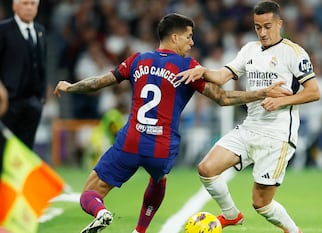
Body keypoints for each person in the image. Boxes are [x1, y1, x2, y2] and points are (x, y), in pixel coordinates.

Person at [54, 13, 290, 233]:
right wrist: (262, 93)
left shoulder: (138, 59)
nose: (192, 42)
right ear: (174, 37)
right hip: (162, 146)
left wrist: (71, 87)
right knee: (158, 179)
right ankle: (140, 230)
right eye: (188, 37)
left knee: (90, 192)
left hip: (131, 139)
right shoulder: (188, 67)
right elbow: (223, 98)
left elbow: (98, 83)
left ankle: (101, 211)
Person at [177, 1, 320, 232]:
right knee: (207, 168)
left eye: (267, 26)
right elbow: (223, 76)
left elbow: (314, 92)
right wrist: (203, 71)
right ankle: (231, 215)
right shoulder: (249, 50)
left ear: (279, 24)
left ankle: (294, 231)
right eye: (257, 27)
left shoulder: (294, 53)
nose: (262, 32)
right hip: (249, 127)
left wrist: (281, 100)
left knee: (261, 204)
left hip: (277, 136)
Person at [0, 0, 46, 174]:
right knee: (4, 153)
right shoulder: (3, 30)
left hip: (33, 104)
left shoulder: (40, 31)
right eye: (25, 3)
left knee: (26, 154)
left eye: (32, 4)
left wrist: (41, 99)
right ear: (14, 6)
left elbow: (42, 66)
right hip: (8, 105)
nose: (29, 7)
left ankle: (20, 198)